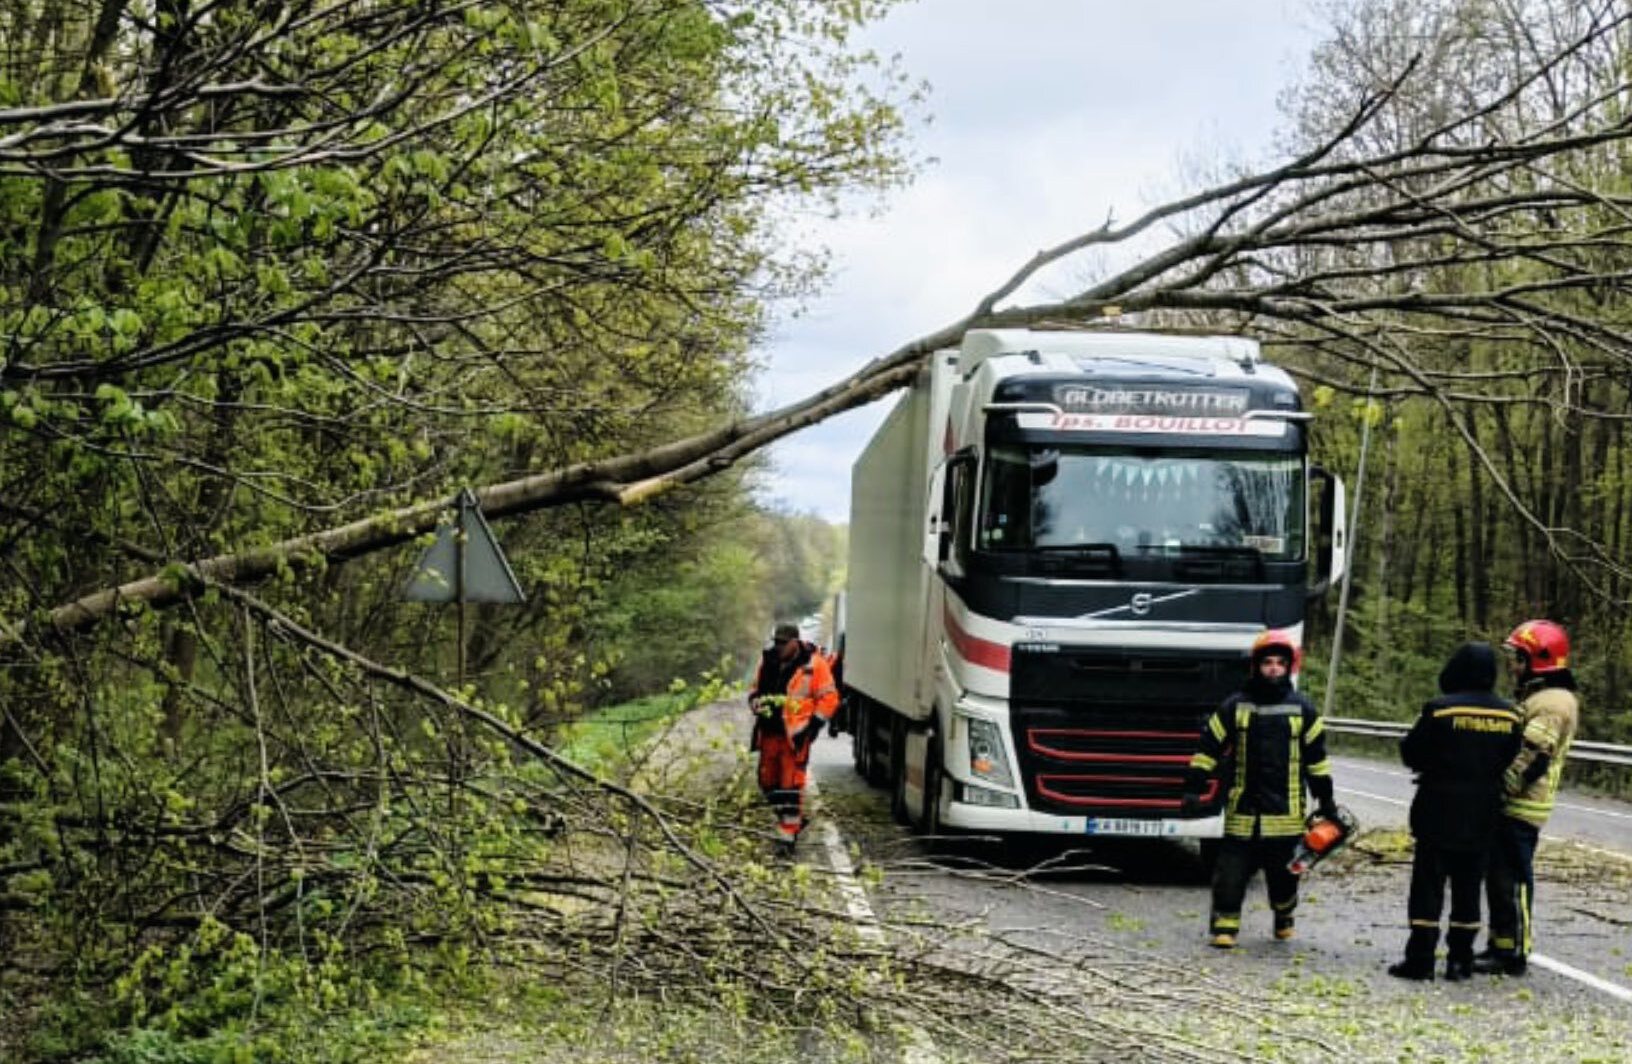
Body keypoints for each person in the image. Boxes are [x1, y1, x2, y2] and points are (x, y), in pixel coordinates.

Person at [1184, 629, 1337, 949]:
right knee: (1230, 872)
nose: (1273, 668)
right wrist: (1194, 788)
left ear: (1289, 667)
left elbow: (1317, 761)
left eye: (1280, 663)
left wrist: (1326, 802)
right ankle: (1224, 928)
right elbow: (1208, 747)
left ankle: (1284, 916)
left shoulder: (1303, 710)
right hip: (1243, 809)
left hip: (1286, 813)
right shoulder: (1235, 706)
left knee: (1284, 877)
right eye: (1267, 662)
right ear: (1256, 666)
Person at [1386, 642, 1521, 982]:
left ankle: (1420, 959)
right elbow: (1510, 757)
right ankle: (1460, 960)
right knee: (1468, 888)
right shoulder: (1509, 715)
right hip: (1483, 812)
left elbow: (1412, 752)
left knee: (1429, 886)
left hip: (1438, 809)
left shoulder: (1440, 709)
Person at [1474, 619, 1580, 976]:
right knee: (1500, 878)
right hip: (1515, 804)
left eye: (1518, 658)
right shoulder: (1542, 697)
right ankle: (1500, 946)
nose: (1513, 666)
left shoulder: (1551, 703)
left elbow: (1533, 756)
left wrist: (1500, 789)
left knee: (1514, 879)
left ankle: (1515, 951)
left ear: (1538, 661)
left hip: (1521, 805)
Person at [748, 623, 839, 852]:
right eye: (776, 642)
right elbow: (755, 689)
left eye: (782, 643)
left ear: (794, 641)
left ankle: (787, 837)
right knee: (767, 782)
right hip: (769, 732)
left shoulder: (813, 664)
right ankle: (794, 821)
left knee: (789, 787)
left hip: (794, 737)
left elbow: (829, 698)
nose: (778, 647)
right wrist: (755, 701)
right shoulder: (767, 660)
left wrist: (812, 727)